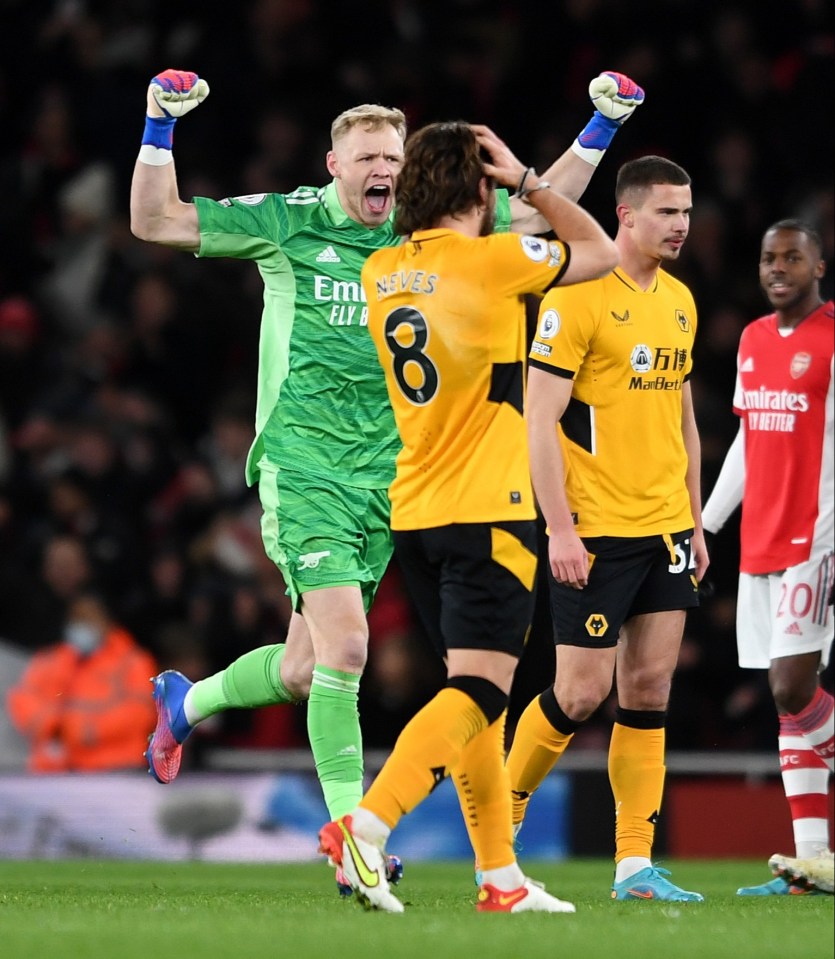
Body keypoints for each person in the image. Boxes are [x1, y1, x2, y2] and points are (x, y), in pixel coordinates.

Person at [130, 69, 642, 828]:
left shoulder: (419, 229)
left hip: (391, 476)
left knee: (307, 667)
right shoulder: (287, 222)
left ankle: (190, 698)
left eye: (392, 160)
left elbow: (531, 214)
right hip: (303, 465)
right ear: (332, 165)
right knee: (347, 649)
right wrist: (158, 125)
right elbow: (156, 221)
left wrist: (599, 126)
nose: (381, 171)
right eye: (366, 157)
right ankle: (353, 838)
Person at [318, 119, 618, 914]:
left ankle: (500, 878)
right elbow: (602, 253)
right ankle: (366, 825)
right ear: (476, 188)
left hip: (415, 509)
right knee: (482, 693)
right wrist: (529, 181)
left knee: (476, 691)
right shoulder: (494, 261)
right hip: (491, 508)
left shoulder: (385, 268)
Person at [503, 156, 708, 902]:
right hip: (596, 529)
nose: (680, 224)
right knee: (580, 693)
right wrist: (558, 528)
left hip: (665, 527)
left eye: (685, 211)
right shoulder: (577, 298)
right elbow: (538, 420)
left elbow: (682, 419)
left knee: (649, 689)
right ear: (624, 215)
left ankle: (633, 866)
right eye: (666, 211)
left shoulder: (681, 301)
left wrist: (695, 515)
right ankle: (499, 818)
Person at [702, 220, 834, 897]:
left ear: (818, 264)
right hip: (760, 542)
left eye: (792, 257)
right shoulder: (753, 339)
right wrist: (706, 523)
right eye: (766, 258)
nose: (777, 267)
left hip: (816, 538)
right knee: (787, 707)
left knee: (789, 685)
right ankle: (814, 860)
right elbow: (748, 441)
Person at [6, 592, 158, 772]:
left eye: (88, 617)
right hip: (54, 773)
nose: (81, 624)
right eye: (76, 618)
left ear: (106, 620)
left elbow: (140, 713)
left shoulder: (134, 662)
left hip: (118, 770)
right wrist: (53, 725)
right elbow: (21, 699)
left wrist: (84, 729)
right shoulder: (50, 660)